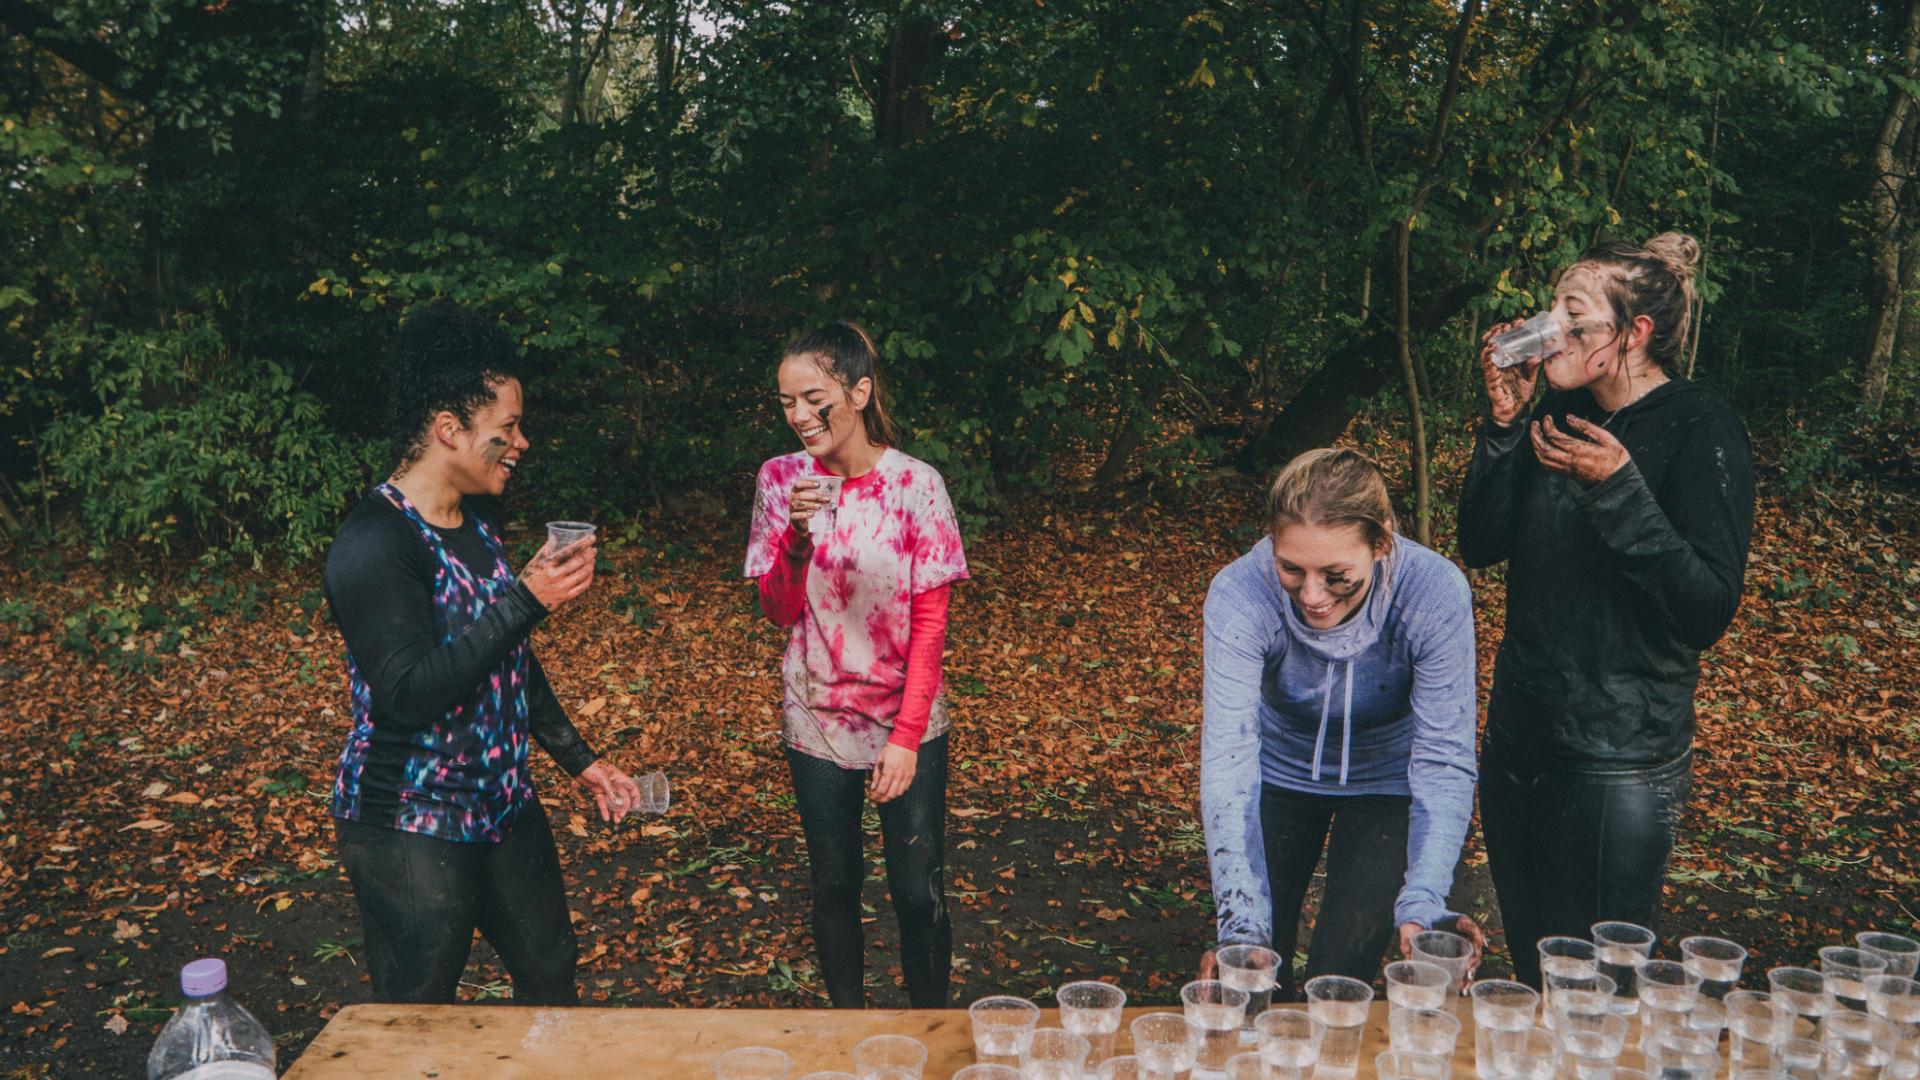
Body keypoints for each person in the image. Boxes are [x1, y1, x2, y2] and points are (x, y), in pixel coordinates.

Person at [324, 300, 643, 1005]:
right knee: (419, 1008)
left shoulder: (477, 522)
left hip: (502, 801)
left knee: (550, 970)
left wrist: (580, 761)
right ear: (449, 429)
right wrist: (526, 600)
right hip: (407, 816)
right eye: (507, 428)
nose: (522, 442)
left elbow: (507, 665)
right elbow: (407, 690)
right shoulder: (375, 542)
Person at [1458, 232, 1755, 987]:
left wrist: (1620, 489)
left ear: (1635, 333)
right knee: (1531, 971)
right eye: (1553, 306)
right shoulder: (1555, 410)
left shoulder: (1700, 427)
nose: (1552, 324)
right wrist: (1501, 427)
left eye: (1575, 314)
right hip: (1522, 739)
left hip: (1622, 756)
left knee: (1597, 983)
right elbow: (1481, 542)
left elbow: (1706, 609)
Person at [1200, 448, 1483, 1000]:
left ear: (1381, 545)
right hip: (1278, 773)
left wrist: (1423, 899)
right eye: (1291, 569)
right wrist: (1239, 924)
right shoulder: (1239, 594)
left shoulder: (1433, 592)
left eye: (1337, 576)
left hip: (1386, 781)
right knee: (1256, 969)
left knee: (1338, 979)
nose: (1311, 595)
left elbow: (1444, 756)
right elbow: (1227, 760)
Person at [742, 321, 969, 1008]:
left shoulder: (915, 486)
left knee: (915, 890)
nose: (800, 416)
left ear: (859, 390)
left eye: (813, 398)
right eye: (786, 402)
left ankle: (931, 1033)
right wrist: (798, 541)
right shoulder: (780, 480)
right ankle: (847, 1032)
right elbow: (778, 611)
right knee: (835, 884)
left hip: (907, 718)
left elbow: (931, 625)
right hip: (815, 715)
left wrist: (905, 738)